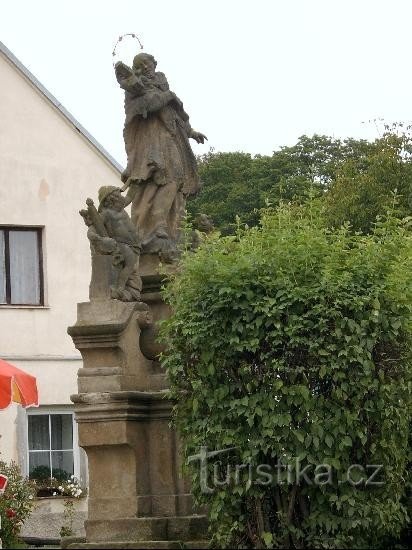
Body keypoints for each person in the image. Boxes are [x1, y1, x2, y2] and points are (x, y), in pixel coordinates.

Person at [115, 52, 207, 259]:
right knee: (166, 179)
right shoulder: (135, 90)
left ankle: (168, 227)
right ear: (136, 69)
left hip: (171, 139)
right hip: (152, 143)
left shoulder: (160, 86)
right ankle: (157, 226)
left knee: (176, 182)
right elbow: (149, 105)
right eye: (141, 64)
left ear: (154, 64)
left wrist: (191, 132)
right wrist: (170, 96)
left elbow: (176, 117)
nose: (146, 67)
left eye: (148, 63)